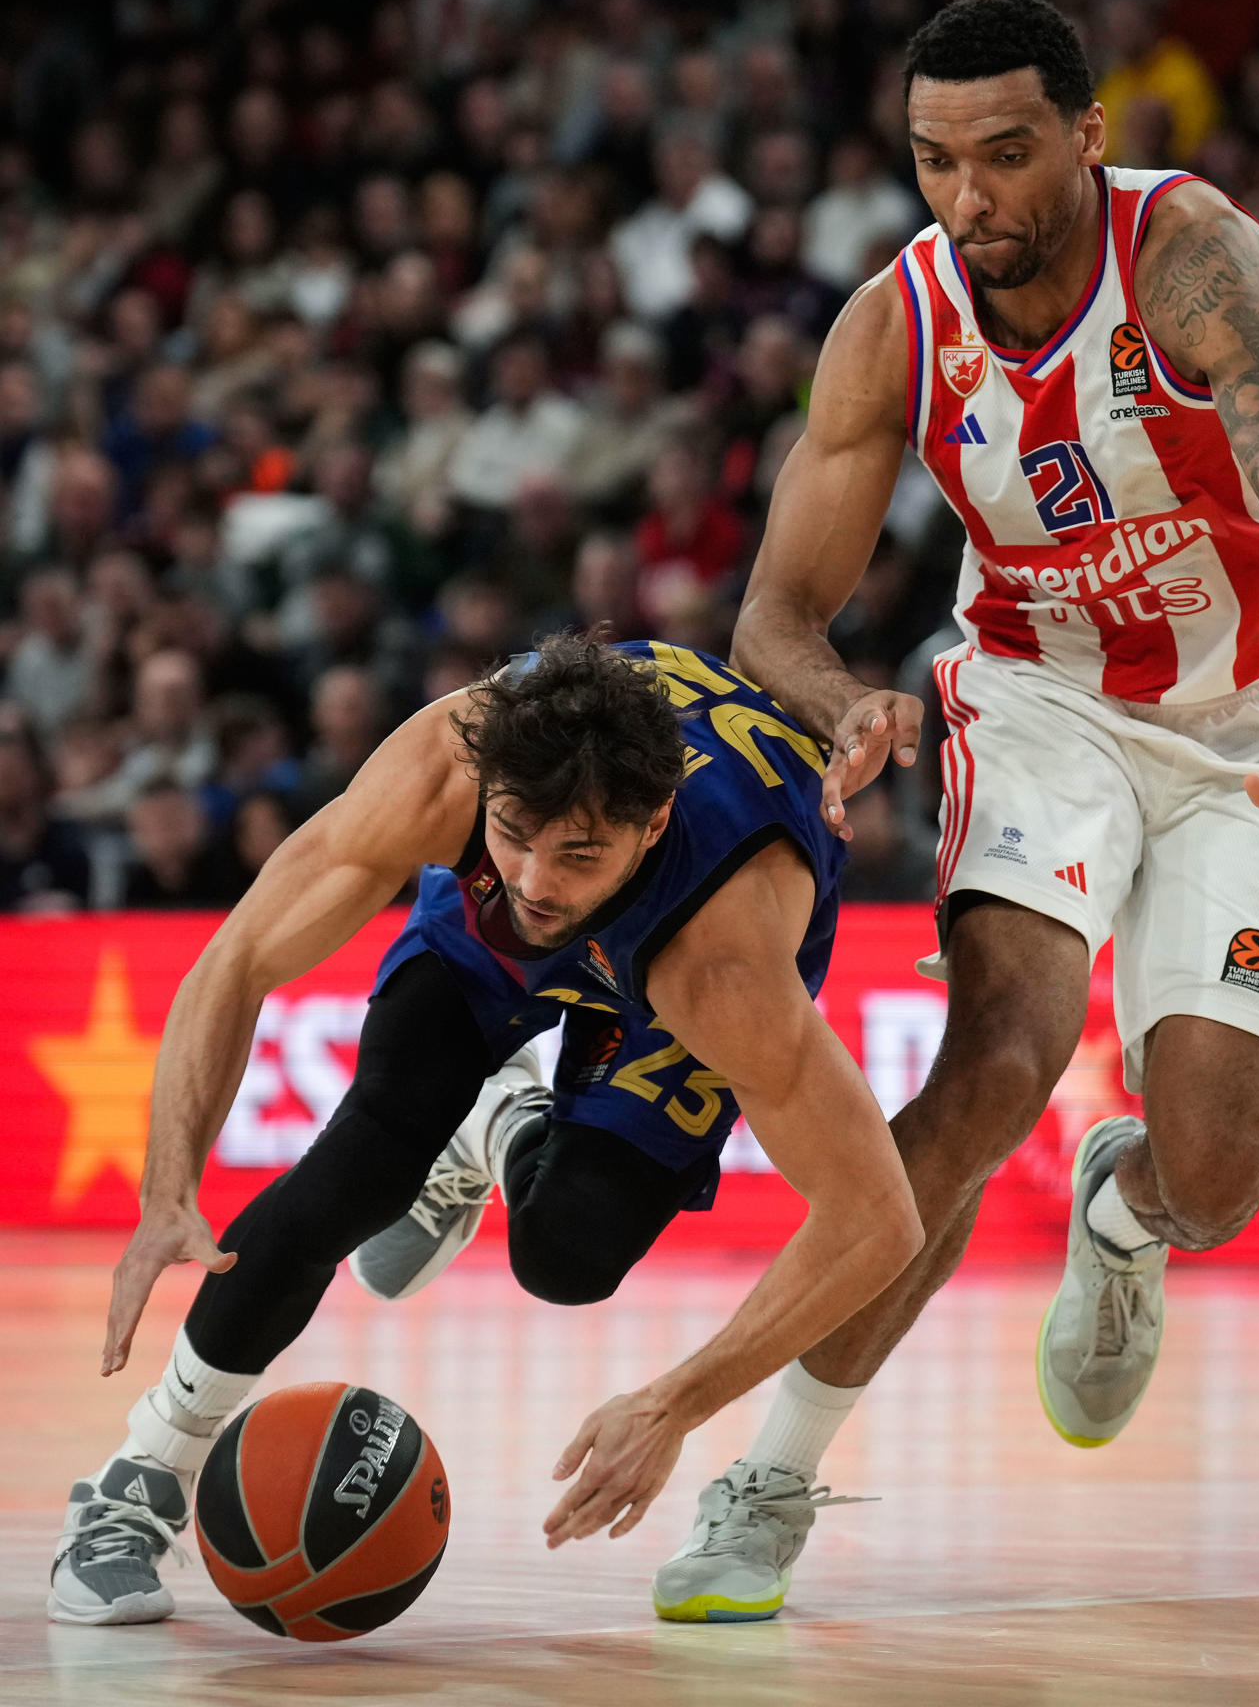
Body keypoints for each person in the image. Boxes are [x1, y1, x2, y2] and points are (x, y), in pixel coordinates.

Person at [645, 0, 1259, 1623]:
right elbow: (776, 620)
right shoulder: (893, 324)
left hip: (1254, 716)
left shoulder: (1188, 257)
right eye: (937, 160)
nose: (971, 198)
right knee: (989, 1071)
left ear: (1088, 138)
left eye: (1007, 155)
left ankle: (1125, 1204)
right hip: (1037, 701)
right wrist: (845, 698)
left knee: (1220, 1174)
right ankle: (772, 1480)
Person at [48, 635, 920, 1625]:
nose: (537, 879)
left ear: (650, 821)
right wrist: (167, 1191)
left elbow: (875, 1218)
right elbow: (237, 959)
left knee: (569, 1257)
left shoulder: (720, 967)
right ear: (488, 792)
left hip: (676, 939)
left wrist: (675, 1403)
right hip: (537, 909)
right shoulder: (450, 767)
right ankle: (133, 1486)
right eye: (514, 833)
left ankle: (498, 1121)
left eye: (576, 853)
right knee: (357, 1168)